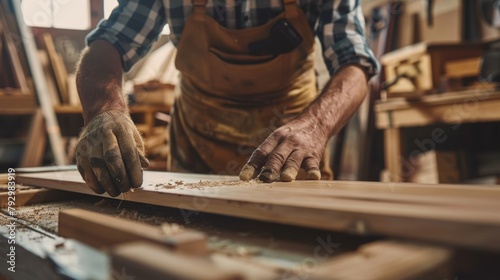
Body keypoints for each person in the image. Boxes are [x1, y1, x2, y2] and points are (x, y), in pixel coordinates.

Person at [75, 0, 378, 197]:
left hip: (287, 147)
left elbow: (354, 63)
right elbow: (108, 44)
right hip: (198, 139)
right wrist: (105, 108)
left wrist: (315, 126)